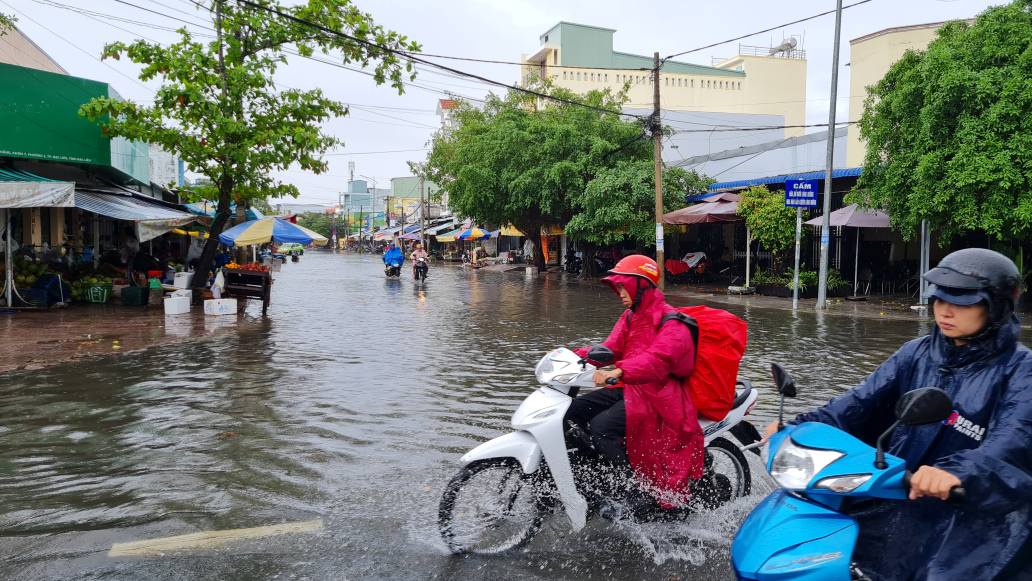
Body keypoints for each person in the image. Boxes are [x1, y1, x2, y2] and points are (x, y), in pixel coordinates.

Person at [764, 248, 1031, 580]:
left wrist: (958, 473)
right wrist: (797, 428)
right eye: (940, 299)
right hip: (900, 492)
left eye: (963, 302)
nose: (946, 311)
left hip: (976, 514)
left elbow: (1014, 441)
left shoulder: (1020, 371)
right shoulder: (916, 353)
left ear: (996, 307)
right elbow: (858, 403)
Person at [563, 255, 702, 508]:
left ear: (641, 285)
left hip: (659, 395)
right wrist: (570, 358)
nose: (620, 293)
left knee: (602, 426)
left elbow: (658, 360)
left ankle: (635, 489)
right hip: (629, 386)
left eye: (623, 286)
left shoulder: (673, 321)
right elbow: (610, 347)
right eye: (617, 287)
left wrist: (619, 371)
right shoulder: (630, 316)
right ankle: (591, 475)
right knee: (569, 412)